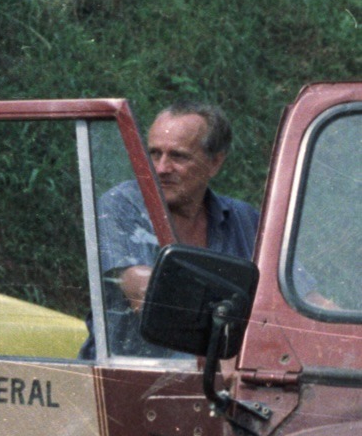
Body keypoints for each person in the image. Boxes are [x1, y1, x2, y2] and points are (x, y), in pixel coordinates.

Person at [96, 101, 259, 355]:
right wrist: (226, 342)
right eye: (154, 153)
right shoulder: (122, 203)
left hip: (216, 382)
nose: (161, 168)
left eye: (178, 156)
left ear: (215, 163)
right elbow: (146, 294)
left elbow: (296, 296)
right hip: (128, 379)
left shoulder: (244, 219)